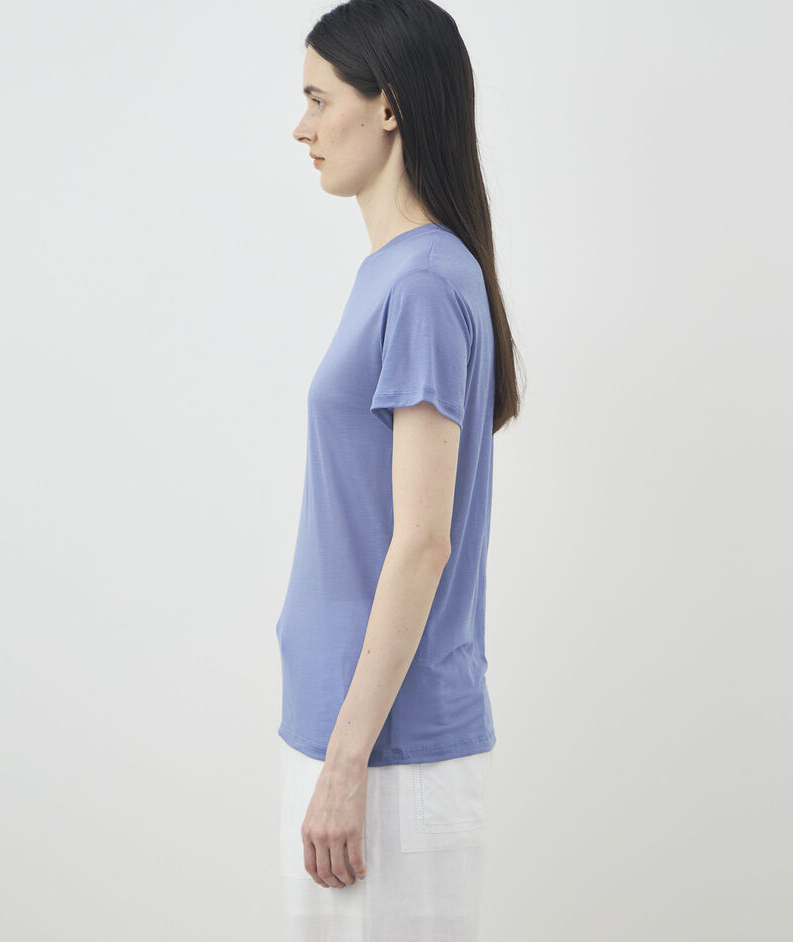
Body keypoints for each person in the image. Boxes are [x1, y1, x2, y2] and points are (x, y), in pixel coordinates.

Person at [276, 0, 524, 938]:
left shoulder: (420, 281)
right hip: (348, 731)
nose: (301, 127)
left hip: (384, 749)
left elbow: (422, 543)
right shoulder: (394, 273)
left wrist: (348, 764)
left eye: (318, 99)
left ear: (387, 106)